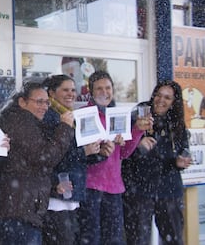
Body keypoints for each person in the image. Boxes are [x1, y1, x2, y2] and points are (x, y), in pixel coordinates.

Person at [0, 81, 75, 244]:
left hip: (20, 210)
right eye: (39, 101)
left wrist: (53, 187)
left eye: (47, 102)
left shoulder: (27, 122)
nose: (44, 106)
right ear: (22, 102)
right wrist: (65, 128)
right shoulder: (21, 123)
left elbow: (28, 169)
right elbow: (45, 157)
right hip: (17, 212)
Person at [77, 70, 151, 245]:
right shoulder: (83, 114)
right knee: (90, 238)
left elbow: (124, 154)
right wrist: (96, 149)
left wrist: (138, 130)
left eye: (108, 88)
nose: (104, 92)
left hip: (114, 187)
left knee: (114, 239)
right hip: (90, 186)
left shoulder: (118, 115)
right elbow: (78, 154)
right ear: (91, 92)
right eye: (99, 88)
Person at [122, 80, 192, 245]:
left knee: (173, 239)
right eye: (159, 95)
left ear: (174, 102)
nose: (161, 100)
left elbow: (184, 150)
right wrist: (137, 143)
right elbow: (122, 149)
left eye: (167, 98)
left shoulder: (177, 122)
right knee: (138, 239)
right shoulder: (139, 114)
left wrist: (181, 161)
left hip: (168, 188)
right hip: (138, 188)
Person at [41, 74, 105, 245]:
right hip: (57, 196)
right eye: (65, 90)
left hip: (73, 193)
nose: (70, 94)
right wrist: (83, 152)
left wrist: (99, 152)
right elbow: (51, 157)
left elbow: (79, 157)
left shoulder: (71, 116)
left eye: (73, 90)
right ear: (52, 94)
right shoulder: (49, 118)